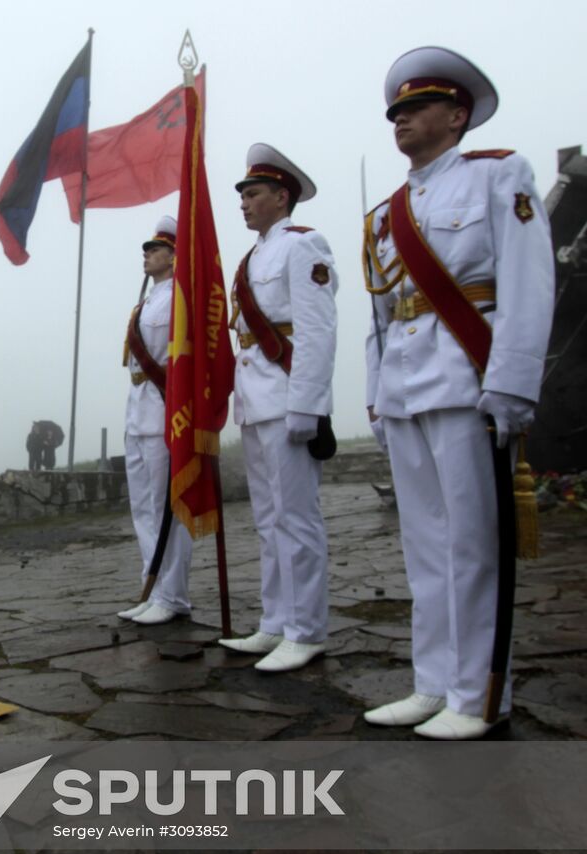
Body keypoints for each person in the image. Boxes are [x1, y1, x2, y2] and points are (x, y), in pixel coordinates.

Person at [361, 47, 553, 739]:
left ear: (456, 114)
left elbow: (529, 282)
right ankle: (433, 683)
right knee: (424, 547)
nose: (401, 119)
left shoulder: (498, 175)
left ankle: (478, 696)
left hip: (468, 379)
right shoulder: (385, 214)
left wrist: (512, 382)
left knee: (472, 543)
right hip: (406, 387)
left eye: (417, 107)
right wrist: (376, 395)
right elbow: (381, 316)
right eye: (396, 111)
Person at [218, 144, 339, 673]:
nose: (244, 202)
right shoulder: (250, 259)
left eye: (253, 193)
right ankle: (275, 622)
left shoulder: (303, 244)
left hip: (288, 398)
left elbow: (316, 329)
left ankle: (306, 630)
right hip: (255, 400)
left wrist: (307, 405)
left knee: (296, 518)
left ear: (281, 196)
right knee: (268, 521)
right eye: (243, 194)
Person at [117, 216, 193, 626]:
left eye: (155, 250)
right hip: (138, 410)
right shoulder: (145, 302)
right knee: (143, 508)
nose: (147, 255)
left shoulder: (181, 296)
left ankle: (173, 595)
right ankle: (154, 587)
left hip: (166, 410)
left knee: (168, 508)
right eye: (146, 250)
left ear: (174, 255)